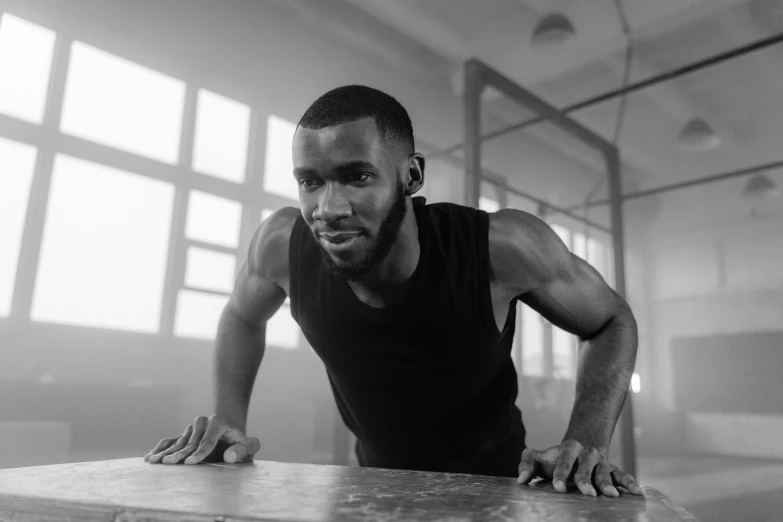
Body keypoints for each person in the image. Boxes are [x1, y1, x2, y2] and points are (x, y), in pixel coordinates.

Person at [145, 85, 644, 498]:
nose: (329, 208)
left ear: (412, 175)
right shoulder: (281, 245)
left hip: (497, 487)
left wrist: (585, 440)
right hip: (373, 484)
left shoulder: (500, 247)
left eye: (357, 176)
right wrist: (228, 417)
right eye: (309, 182)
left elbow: (611, 320)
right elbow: (240, 315)